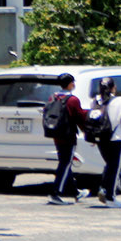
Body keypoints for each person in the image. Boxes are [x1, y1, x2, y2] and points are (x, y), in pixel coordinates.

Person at [88, 76, 121, 208]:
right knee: (115, 167)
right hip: (115, 138)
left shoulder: (95, 101)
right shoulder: (120, 101)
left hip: (100, 138)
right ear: (113, 88)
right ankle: (110, 197)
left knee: (109, 164)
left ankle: (104, 188)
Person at [43, 73, 91, 205]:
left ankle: (75, 192)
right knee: (65, 163)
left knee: (65, 162)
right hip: (68, 135)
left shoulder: (53, 97)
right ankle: (55, 193)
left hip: (56, 134)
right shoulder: (72, 100)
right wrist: (88, 132)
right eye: (72, 82)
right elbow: (79, 117)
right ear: (70, 84)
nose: (74, 84)